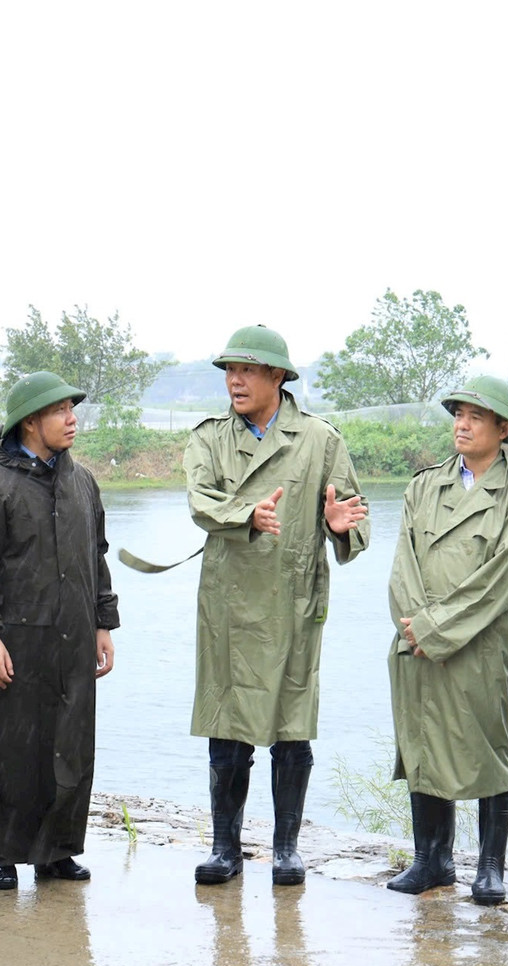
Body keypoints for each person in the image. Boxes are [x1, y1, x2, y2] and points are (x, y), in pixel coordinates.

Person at [184, 325, 370, 887]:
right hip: (228, 600)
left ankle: (287, 846)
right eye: (228, 372)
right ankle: (225, 847)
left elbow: (355, 527)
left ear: (277, 377)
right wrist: (247, 516)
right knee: (227, 722)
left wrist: (340, 526)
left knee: (293, 723)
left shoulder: (321, 440)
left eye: (246, 370)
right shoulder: (209, 437)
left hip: (294, 599)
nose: (234, 381)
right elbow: (200, 500)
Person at [0, 371, 119, 890]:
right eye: (61, 412)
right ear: (31, 421)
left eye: (73, 410)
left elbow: (96, 557)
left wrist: (104, 622)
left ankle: (56, 852)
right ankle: (2, 853)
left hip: (73, 639)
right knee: (12, 751)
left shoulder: (83, 482)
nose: (73, 419)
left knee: (69, 746)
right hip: (13, 641)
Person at [384, 375, 508, 905]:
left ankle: (490, 866)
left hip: (478, 646)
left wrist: (435, 630)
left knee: (486, 746)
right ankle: (431, 859)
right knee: (423, 740)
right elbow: (402, 564)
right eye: (458, 414)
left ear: (503, 429)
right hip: (415, 641)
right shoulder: (423, 486)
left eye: (476, 416)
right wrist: (412, 624)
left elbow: (499, 583)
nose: (463, 424)